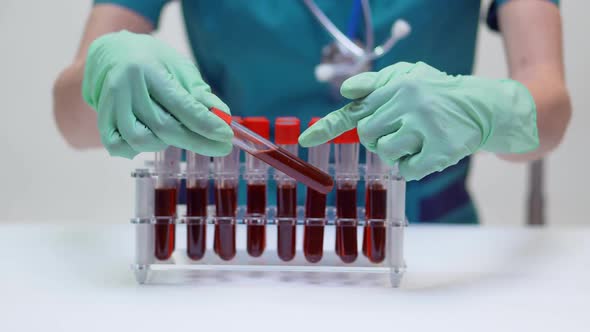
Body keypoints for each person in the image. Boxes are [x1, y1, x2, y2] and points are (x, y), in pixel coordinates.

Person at [53, 0, 571, 223]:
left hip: (425, 241)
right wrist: (106, 70)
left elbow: (549, 106)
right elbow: (71, 121)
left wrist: (492, 110)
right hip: (233, 241)